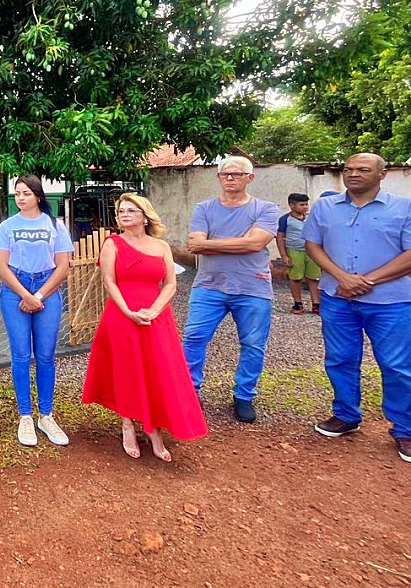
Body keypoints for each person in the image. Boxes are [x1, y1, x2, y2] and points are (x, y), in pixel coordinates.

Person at [303, 153, 411, 464]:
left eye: (363, 169)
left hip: (391, 301)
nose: (353, 174)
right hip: (338, 298)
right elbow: (313, 245)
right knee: (340, 359)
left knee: (397, 365)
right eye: (348, 170)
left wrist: (365, 280)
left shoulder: (403, 208)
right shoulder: (325, 206)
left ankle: (405, 428)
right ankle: (346, 415)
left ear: (382, 173)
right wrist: (342, 278)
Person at [82, 194, 207, 461]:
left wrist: (154, 310)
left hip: (156, 316)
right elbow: (109, 282)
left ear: (145, 215)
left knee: (157, 370)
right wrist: (128, 311)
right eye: (120, 212)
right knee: (128, 370)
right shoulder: (112, 243)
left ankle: (154, 428)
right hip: (122, 315)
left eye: (130, 210)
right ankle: (128, 424)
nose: (124, 215)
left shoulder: (161, 246)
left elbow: (171, 284)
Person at [183, 156, 279, 423]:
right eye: (224, 174)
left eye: (237, 174)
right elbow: (195, 244)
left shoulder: (267, 208)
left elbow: (255, 245)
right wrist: (243, 240)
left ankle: (244, 395)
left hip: (253, 287)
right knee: (193, 338)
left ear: (250, 178)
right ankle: (190, 390)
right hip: (208, 286)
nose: (229, 178)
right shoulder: (204, 208)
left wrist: (211, 244)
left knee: (253, 344)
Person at [0, 174, 73, 447]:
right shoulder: (7, 226)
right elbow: (2, 266)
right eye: (17, 193)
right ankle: (25, 415)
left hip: (46, 290)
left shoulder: (55, 225)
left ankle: (46, 415)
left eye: (26, 193)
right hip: (16, 289)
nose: (21, 198)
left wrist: (38, 295)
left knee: (46, 355)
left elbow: (62, 266)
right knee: (21, 354)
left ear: (38, 195)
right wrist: (25, 295)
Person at [277, 193, 321, 315]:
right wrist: (284, 255)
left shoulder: (311, 217)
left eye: (306, 204)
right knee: (295, 277)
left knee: (314, 277)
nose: (305, 207)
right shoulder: (285, 219)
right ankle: (298, 303)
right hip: (294, 251)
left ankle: (316, 304)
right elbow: (280, 237)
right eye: (302, 205)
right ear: (291, 205)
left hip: (312, 251)